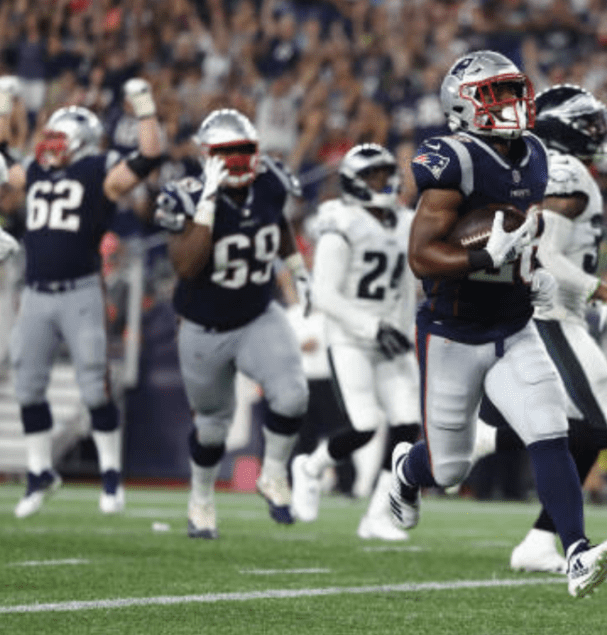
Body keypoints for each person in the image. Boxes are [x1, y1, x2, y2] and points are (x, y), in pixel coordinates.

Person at [390, 50, 607, 598]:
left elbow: (524, 231)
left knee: (550, 430)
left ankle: (576, 553)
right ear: (463, 105)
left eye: (514, 92)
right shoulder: (453, 161)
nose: (512, 104)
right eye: (496, 95)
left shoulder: (536, 154)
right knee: (448, 469)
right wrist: (481, 257)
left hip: (515, 326)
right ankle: (406, 472)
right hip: (452, 332)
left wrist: (533, 271)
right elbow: (421, 257)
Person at [468, 84, 607, 573]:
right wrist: (606, 293)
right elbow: (547, 255)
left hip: (559, 314)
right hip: (550, 315)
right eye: (589, 124)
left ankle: (541, 540)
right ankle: (487, 438)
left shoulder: (558, 169)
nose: (600, 133)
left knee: (591, 426)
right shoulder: (567, 171)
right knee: (604, 424)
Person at [0, 79, 163, 518]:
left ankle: (110, 476)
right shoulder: (37, 172)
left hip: (81, 291)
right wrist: (3, 108)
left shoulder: (96, 171)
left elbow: (148, 157)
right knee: (27, 384)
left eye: (58, 138)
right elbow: (3, 159)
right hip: (36, 293)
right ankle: (39, 473)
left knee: (95, 385)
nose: (49, 145)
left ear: (82, 142)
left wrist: (145, 108)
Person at [153, 108, 311, 539]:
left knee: (293, 396)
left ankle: (272, 473)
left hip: (258, 314)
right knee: (211, 428)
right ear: (206, 156)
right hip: (203, 328)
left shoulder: (271, 179)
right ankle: (201, 499)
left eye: (244, 149)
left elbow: (276, 221)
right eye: (227, 152)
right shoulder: (184, 196)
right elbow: (187, 266)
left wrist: (296, 266)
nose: (238, 159)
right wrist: (208, 200)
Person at [289, 143, 421, 541]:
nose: (383, 182)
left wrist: (403, 330)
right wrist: (372, 327)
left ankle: (378, 515)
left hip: (391, 335)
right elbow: (325, 294)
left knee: (407, 426)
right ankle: (310, 467)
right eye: (373, 176)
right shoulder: (341, 222)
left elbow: (406, 287)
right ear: (354, 183)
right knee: (365, 426)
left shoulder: (406, 221)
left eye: (385, 174)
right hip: (350, 337)